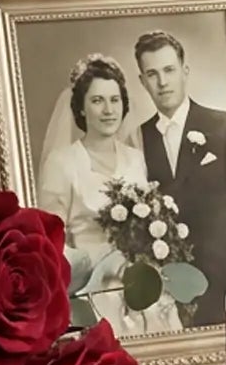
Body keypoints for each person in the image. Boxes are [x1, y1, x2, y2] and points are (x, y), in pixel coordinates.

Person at [36, 53, 180, 334]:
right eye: (97, 101)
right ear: (80, 109)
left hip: (142, 283)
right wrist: (97, 263)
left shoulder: (135, 158)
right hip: (92, 288)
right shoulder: (62, 163)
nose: (108, 110)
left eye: (114, 100)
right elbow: (50, 241)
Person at [134, 29, 226, 326]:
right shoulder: (137, 140)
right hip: (169, 290)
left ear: (184, 71)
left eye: (169, 70)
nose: (162, 82)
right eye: (152, 74)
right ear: (142, 81)